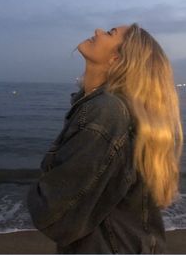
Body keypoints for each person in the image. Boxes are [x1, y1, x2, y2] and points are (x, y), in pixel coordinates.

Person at [27, 23, 183, 254]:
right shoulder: (110, 108)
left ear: (117, 58)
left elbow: (55, 214)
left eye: (110, 33)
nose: (98, 30)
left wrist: (37, 196)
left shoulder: (106, 111)